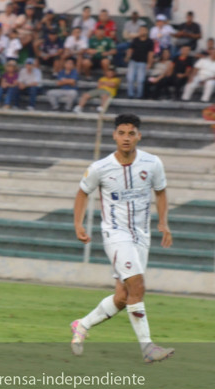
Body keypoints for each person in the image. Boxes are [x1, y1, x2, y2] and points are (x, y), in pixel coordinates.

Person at [71, 113, 174, 364]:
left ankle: (81, 325)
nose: (126, 138)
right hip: (115, 234)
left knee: (123, 296)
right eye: (121, 133)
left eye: (131, 133)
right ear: (114, 135)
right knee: (138, 286)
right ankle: (148, 347)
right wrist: (78, 223)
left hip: (141, 235)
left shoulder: (152, 163)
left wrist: (163, 222)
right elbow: (82, 193)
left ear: (138, 135)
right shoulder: (100, 168)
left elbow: (160, 192)